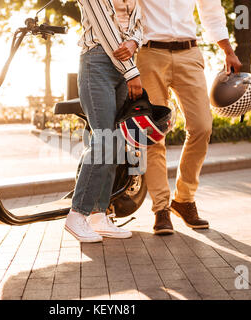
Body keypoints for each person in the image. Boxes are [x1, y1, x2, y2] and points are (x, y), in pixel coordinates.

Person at [132, 0, 243, 234]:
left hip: (189, 54)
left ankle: (184, 199)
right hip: (149, 53)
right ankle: (161, 209)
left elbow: (211, 12)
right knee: (154, 134)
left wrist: (228, 51)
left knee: (202, 126)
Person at [64, 0, 144, 242]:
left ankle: (99, 215)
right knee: (104, 140)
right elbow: (105, 29)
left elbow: (139, 24)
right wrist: (131, 72)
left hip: (123, 65)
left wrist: (134, 42)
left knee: (117, 142)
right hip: (97, 62)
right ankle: (77, 214)